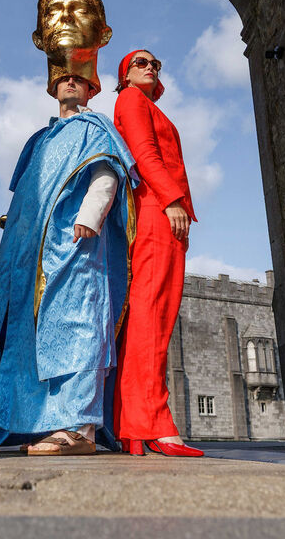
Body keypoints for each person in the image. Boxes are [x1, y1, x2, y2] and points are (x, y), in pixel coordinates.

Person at [0, 0, 137, 456]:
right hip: (34, 255)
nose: (69, 84)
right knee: (29, 333)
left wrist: (92, 214)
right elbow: (29, 196)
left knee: (76, 328)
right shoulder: (40, 139)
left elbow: (106, 175)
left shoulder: (96, 127)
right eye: (63, 79)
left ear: (90, 85)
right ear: (54, 84)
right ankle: (38, 420)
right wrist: (16, 226)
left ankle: (80, 431)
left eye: (77, 79)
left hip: (77, 250)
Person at [111, 49, 203, 457]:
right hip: (156, 210)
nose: (151, 68)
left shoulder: (148, 105)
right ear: (125, 75)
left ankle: (134, 424)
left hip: (163, 212)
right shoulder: (131, 100)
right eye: (141, 63)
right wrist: (172, 200)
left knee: (155, 318)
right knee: (151, 316)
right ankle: (150, 424)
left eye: (156, 64)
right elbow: (144, 154)